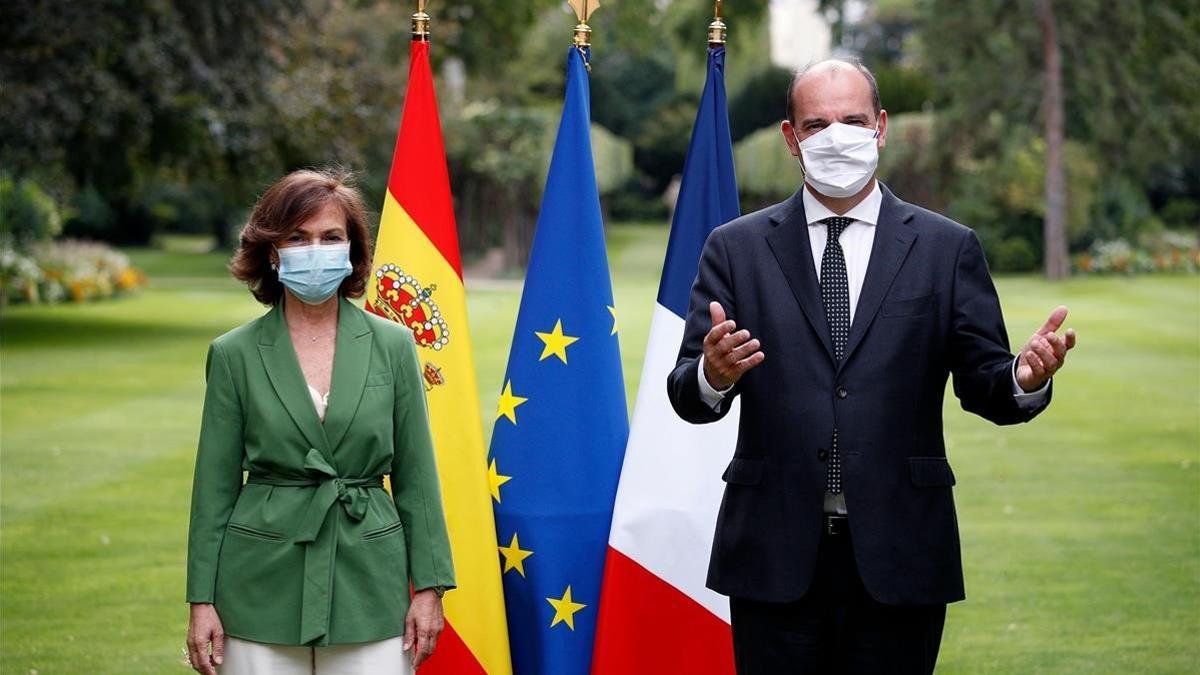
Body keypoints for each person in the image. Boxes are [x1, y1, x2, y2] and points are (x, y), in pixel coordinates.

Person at [667, 59, 1077, 674]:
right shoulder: (736, 246)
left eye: (853, 120)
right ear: (790, 138)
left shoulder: (946, 247)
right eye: (817, 124)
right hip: (773, 553)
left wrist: (1023, 377)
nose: (836, 137)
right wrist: (715, 375)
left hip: (901, 548)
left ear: (880, 127)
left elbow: (984, 381)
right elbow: (687, 391)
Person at [185, 168, 455, 675]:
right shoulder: (232, 355)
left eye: (331, 237)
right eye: (298, 237)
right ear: (272, 250)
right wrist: (202, 600)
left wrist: (430, 589)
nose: (316, 250)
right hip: (257, 583)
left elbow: (417, 477)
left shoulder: (394, 345)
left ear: (351, 249)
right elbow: (214, 490)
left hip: (370, 581)